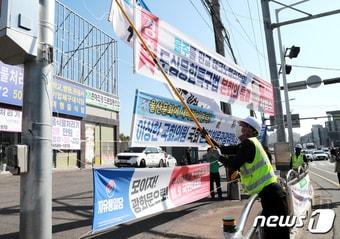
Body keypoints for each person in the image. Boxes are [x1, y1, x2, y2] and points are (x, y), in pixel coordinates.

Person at [201, 116, 289, 239]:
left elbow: (234, 164)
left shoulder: (248, 144)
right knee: (274, 233)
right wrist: (208, 138)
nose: (241, 129)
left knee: (276, 234)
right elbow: (225, 148)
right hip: (271, 194)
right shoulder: (249, 144)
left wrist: (219, 157)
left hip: (272, 196)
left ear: (251, 129)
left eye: (244, 126)